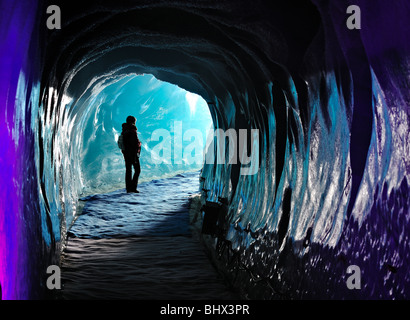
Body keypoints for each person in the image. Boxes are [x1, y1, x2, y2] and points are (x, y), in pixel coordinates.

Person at [121, 115, 141, 193]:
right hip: (132, 153)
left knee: (128, 170)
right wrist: (137, 150)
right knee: (137, 170)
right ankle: (133, 188)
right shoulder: (132, 130)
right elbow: (134, 143)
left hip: (126, 153)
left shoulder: (124, 129)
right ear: (132, 122)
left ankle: (129, 188)